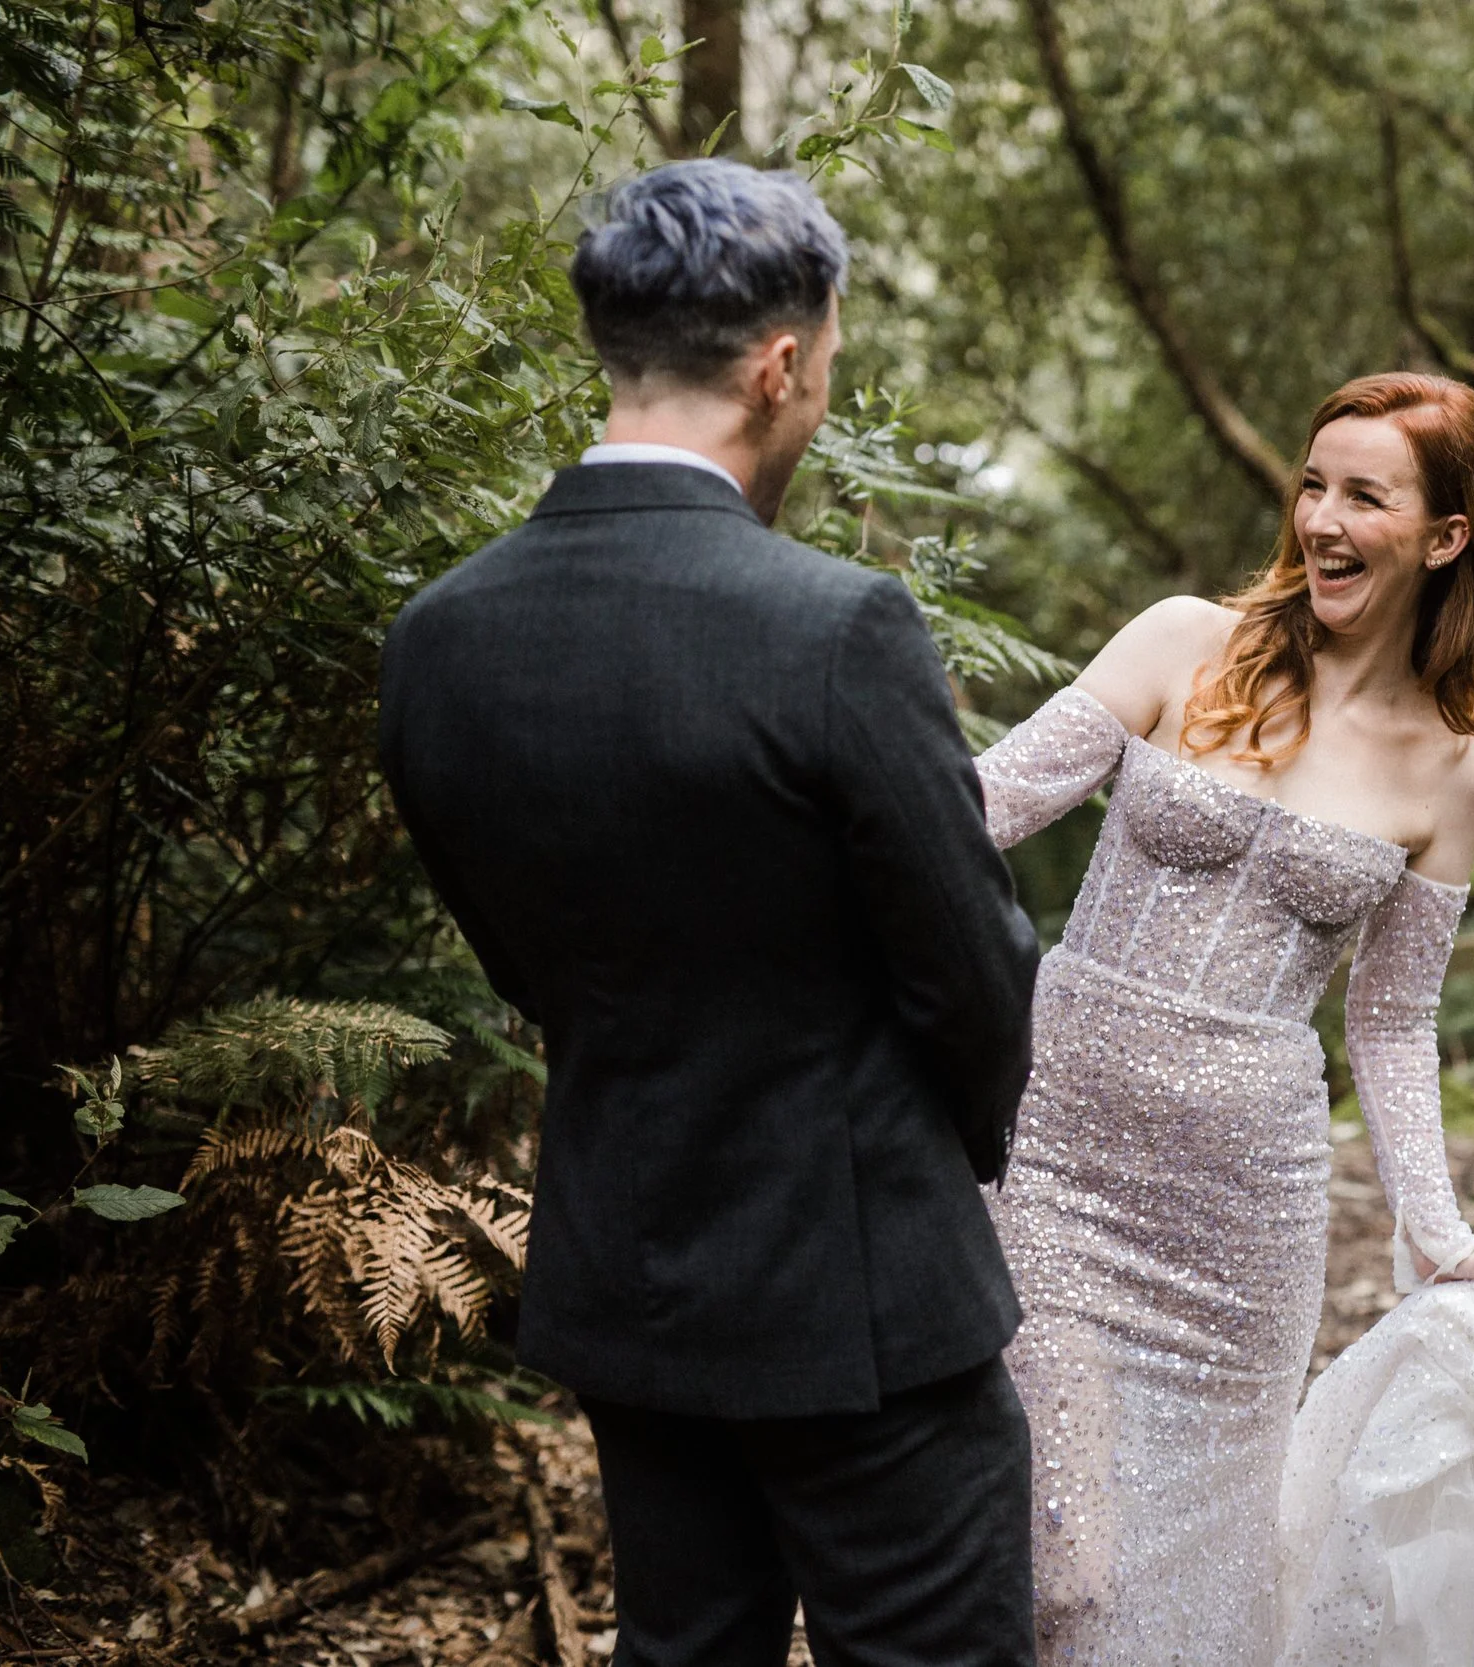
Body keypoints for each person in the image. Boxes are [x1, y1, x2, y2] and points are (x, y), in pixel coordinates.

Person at [377, 160, 1040, 1667]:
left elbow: (524, 962)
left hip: (627, 1265)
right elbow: (977, 973)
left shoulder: (437, 640)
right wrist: (943, 1172)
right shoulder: (837, 627)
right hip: (866, 1295)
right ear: (782, 364)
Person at [976, 373, 1474, 1664]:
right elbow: (972, 808)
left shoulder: (1458, 766)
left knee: (1193, 1584)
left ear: (1445, 536)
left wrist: (1438, 1232)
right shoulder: (1184, 642)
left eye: (1365, 495)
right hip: (1056, 1159)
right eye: (1313, 483)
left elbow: (1392, 1023)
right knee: (1061, 1562)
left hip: (1243, 1226)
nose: (1323, 518)